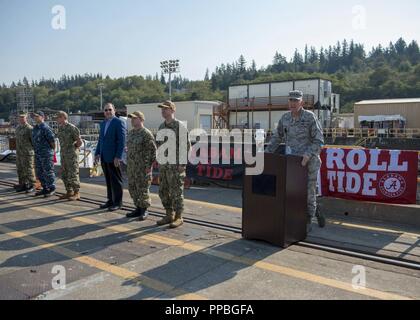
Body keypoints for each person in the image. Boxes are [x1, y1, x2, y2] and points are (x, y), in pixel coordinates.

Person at [266, 90, 326, 232]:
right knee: (292, 190)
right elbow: (277, 137)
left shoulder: (310, 117)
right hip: (292, 162)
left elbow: (319, 141)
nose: (292, 103)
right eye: (291, 100)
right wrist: (267, 154)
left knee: (308, 190)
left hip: (308, 161)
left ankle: (308, 219)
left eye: (296, 101)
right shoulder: (285, 118)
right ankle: (310, 211)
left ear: (301, 103)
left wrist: (308, 154)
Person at [156, 101, 191, 228]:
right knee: (163, 191)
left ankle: (178, 217)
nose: (163, 111)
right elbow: (159, 146)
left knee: (176, 191)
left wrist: (182, 164)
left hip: (176, 166)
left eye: (165, 109)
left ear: (172, 110)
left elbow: (186, 146)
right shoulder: (161, 126)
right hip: (164, 166)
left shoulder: (179, 126)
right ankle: (169, 214)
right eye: (162, 109)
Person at [94, 103, 127, 211]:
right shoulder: (103, 123)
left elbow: (122, 141)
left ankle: (118, 202)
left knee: (116, 180)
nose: (108, 112)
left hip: (114, 157)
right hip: (104, 156)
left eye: (109, 109)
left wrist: (118, 156)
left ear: (114, 110)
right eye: (106, 110)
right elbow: (100, 140)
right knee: (108, 180)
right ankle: (110, 200)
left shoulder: (119, 122)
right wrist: (97, 153)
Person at [125, 111, 156, 221]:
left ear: (141, 119)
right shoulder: (131, 133)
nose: (132, 120)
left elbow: (152, 151)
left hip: (143, 167)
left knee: (143, 188)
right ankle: (138, 208)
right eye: (131, 119)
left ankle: (144, 209)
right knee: (133, 188)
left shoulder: (146, 133)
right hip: (132, 167)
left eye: (134, 118)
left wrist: (149, 166)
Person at [56, 111, 83, 201]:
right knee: (64, 174)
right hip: (63, 155)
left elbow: (79, 142)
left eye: (59, 117)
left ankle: (76, 192)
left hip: (71, 155)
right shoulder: (60, 128)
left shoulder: (72, 128)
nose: (57, 119)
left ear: (64, 117)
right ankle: (69, 191)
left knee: (73, 174)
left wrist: (73, 148)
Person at [32, 111, 56, 197]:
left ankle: (51, 188)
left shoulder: (45, 128)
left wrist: (50, 151)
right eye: (34, 116)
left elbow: (52, 142)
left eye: (37, 116)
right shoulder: (35, 128)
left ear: (42, 117)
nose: (35, 118)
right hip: (38, 153)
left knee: (48, 171)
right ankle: (45, 188)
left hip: (46, 153)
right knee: (39, 172)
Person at [14, 112, 35, 193]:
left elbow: (33, 141)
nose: (21, 119)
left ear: (26, 119)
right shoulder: (18, 128)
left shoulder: (30, 128)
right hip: (19, 152)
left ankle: (32, 185)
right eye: (20, 117)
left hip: (27, 152)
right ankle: (23, 184)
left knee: (29, 169)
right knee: (20, 169)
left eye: (23, 117)